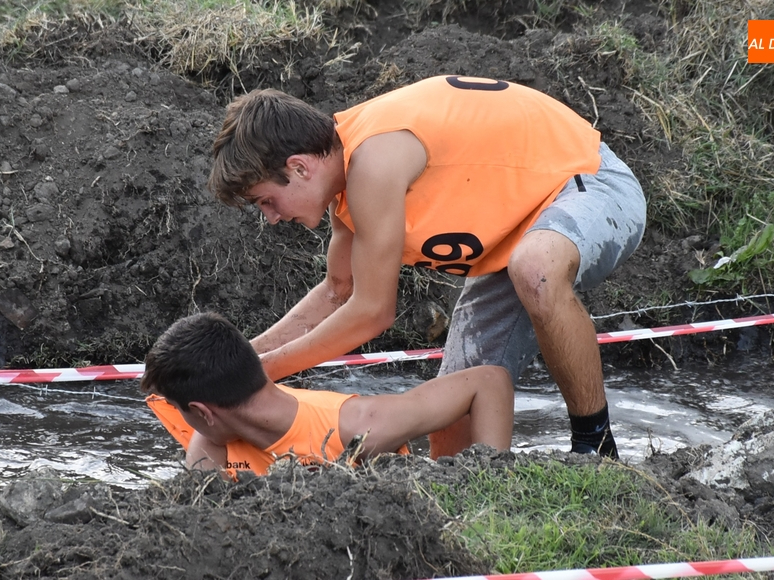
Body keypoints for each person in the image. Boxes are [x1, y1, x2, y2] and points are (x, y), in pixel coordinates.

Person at [208, 75, 647, 459]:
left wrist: (258, 375)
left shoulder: (373, 162)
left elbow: (372, 312)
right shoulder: (346, 176)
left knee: (535, 268)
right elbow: (337, 290)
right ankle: (483, 503)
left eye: (266, 201)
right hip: (519, 237)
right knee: (451, 415)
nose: (270, 216)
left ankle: (595, 446)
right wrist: (235, 363)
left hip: (595, 183)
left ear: (299, 167)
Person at [141, 311, 514, 477]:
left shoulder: (359, 427)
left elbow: (489, 381)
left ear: (202, 411)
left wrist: (485, 484)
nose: (177, 419)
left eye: (177, 409)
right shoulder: (211, 445)